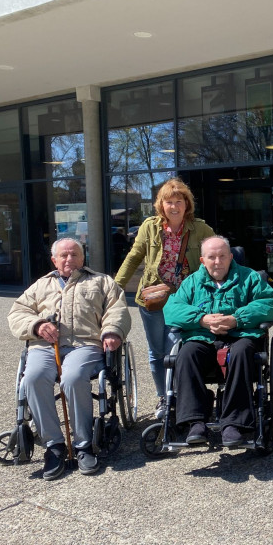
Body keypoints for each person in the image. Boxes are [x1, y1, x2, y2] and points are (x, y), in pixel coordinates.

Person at [7, 238, 131, 480]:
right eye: (63, 255)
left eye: (74, 255)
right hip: (45, 346)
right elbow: (17, 313)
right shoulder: (40, 285)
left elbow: (117, 309)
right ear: (54, 260)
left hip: (84, 345)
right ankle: (54, 446)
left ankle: (83, 445)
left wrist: (112, 331)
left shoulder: (102, 281)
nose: (69, 259)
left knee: (73, 378)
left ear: (83, 258)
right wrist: (37, 325)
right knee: (32, 379)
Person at [163, 236, 273, 447]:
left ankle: (233, 423)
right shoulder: (191, 282)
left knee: (243, 352)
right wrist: (201, 319)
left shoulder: (249, 277)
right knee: (186, 353)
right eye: (212, 257)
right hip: (203, 337)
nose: (217, 261)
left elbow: (268, 303)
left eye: (222, 256)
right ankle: (195, 422)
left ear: (231, 257)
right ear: (202, 260)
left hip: (240, 336)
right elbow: (171, 310)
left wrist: (236, 319)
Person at [115, 178, 215, 420]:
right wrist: (115, 286)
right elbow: (134, 256)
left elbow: (215, 256)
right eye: (169, 202)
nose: (174, 206)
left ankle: (180, 397)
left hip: (184, 301)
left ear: (186, 204)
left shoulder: (200, 229)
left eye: (178, 201)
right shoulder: (150, 227)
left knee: (177, 349)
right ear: (161, 204)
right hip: (153, 299)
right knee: (157, 351)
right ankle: (163, 397)